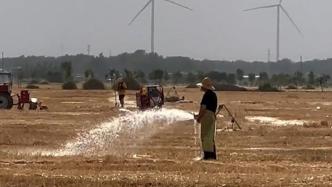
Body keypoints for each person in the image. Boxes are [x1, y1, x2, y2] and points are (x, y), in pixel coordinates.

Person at [194, 77, 218, 160]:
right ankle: (212, 155)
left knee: (205, 136)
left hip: (207, 117)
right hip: (212, 116)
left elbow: (203, 108)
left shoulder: (206, 95)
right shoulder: (213, 94)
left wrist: (199, 117)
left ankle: (208, 155)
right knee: (210, 136)